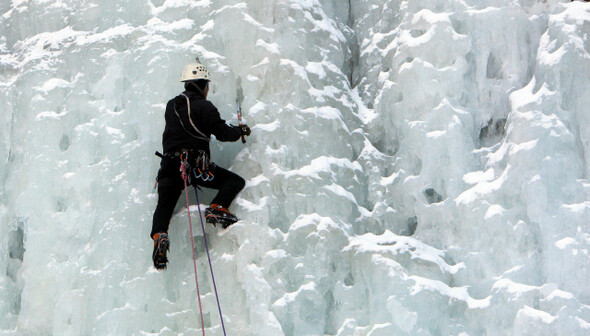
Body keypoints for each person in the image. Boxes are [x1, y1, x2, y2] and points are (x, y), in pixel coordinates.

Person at [151, 61, 251, 270]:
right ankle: (217, 207)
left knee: (165, 205)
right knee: (234, 181)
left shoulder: (172, 105)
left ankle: (160, 235)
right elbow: (223, 133)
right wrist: (240, 130)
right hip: (194, 166)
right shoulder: (204, 106)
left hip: (169, 167)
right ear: (202, 85)